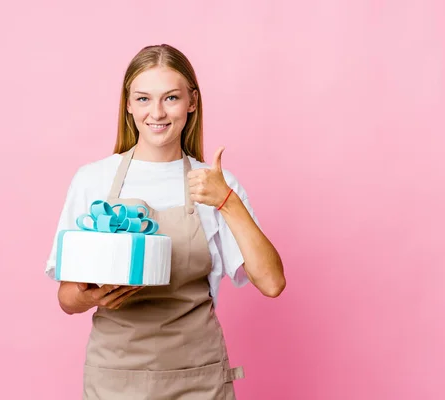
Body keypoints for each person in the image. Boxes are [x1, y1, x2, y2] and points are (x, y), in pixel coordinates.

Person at [45, 43, 286, 399]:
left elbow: (271, 282)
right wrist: (92, 296)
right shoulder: (92, 180)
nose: (156, 112)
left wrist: (227, 201)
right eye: (143, 98)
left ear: (192, 102)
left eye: (170, 98)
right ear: (128, 105)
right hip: (115, 379)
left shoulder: (216, 183)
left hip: (198, 379)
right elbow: (66, 297)